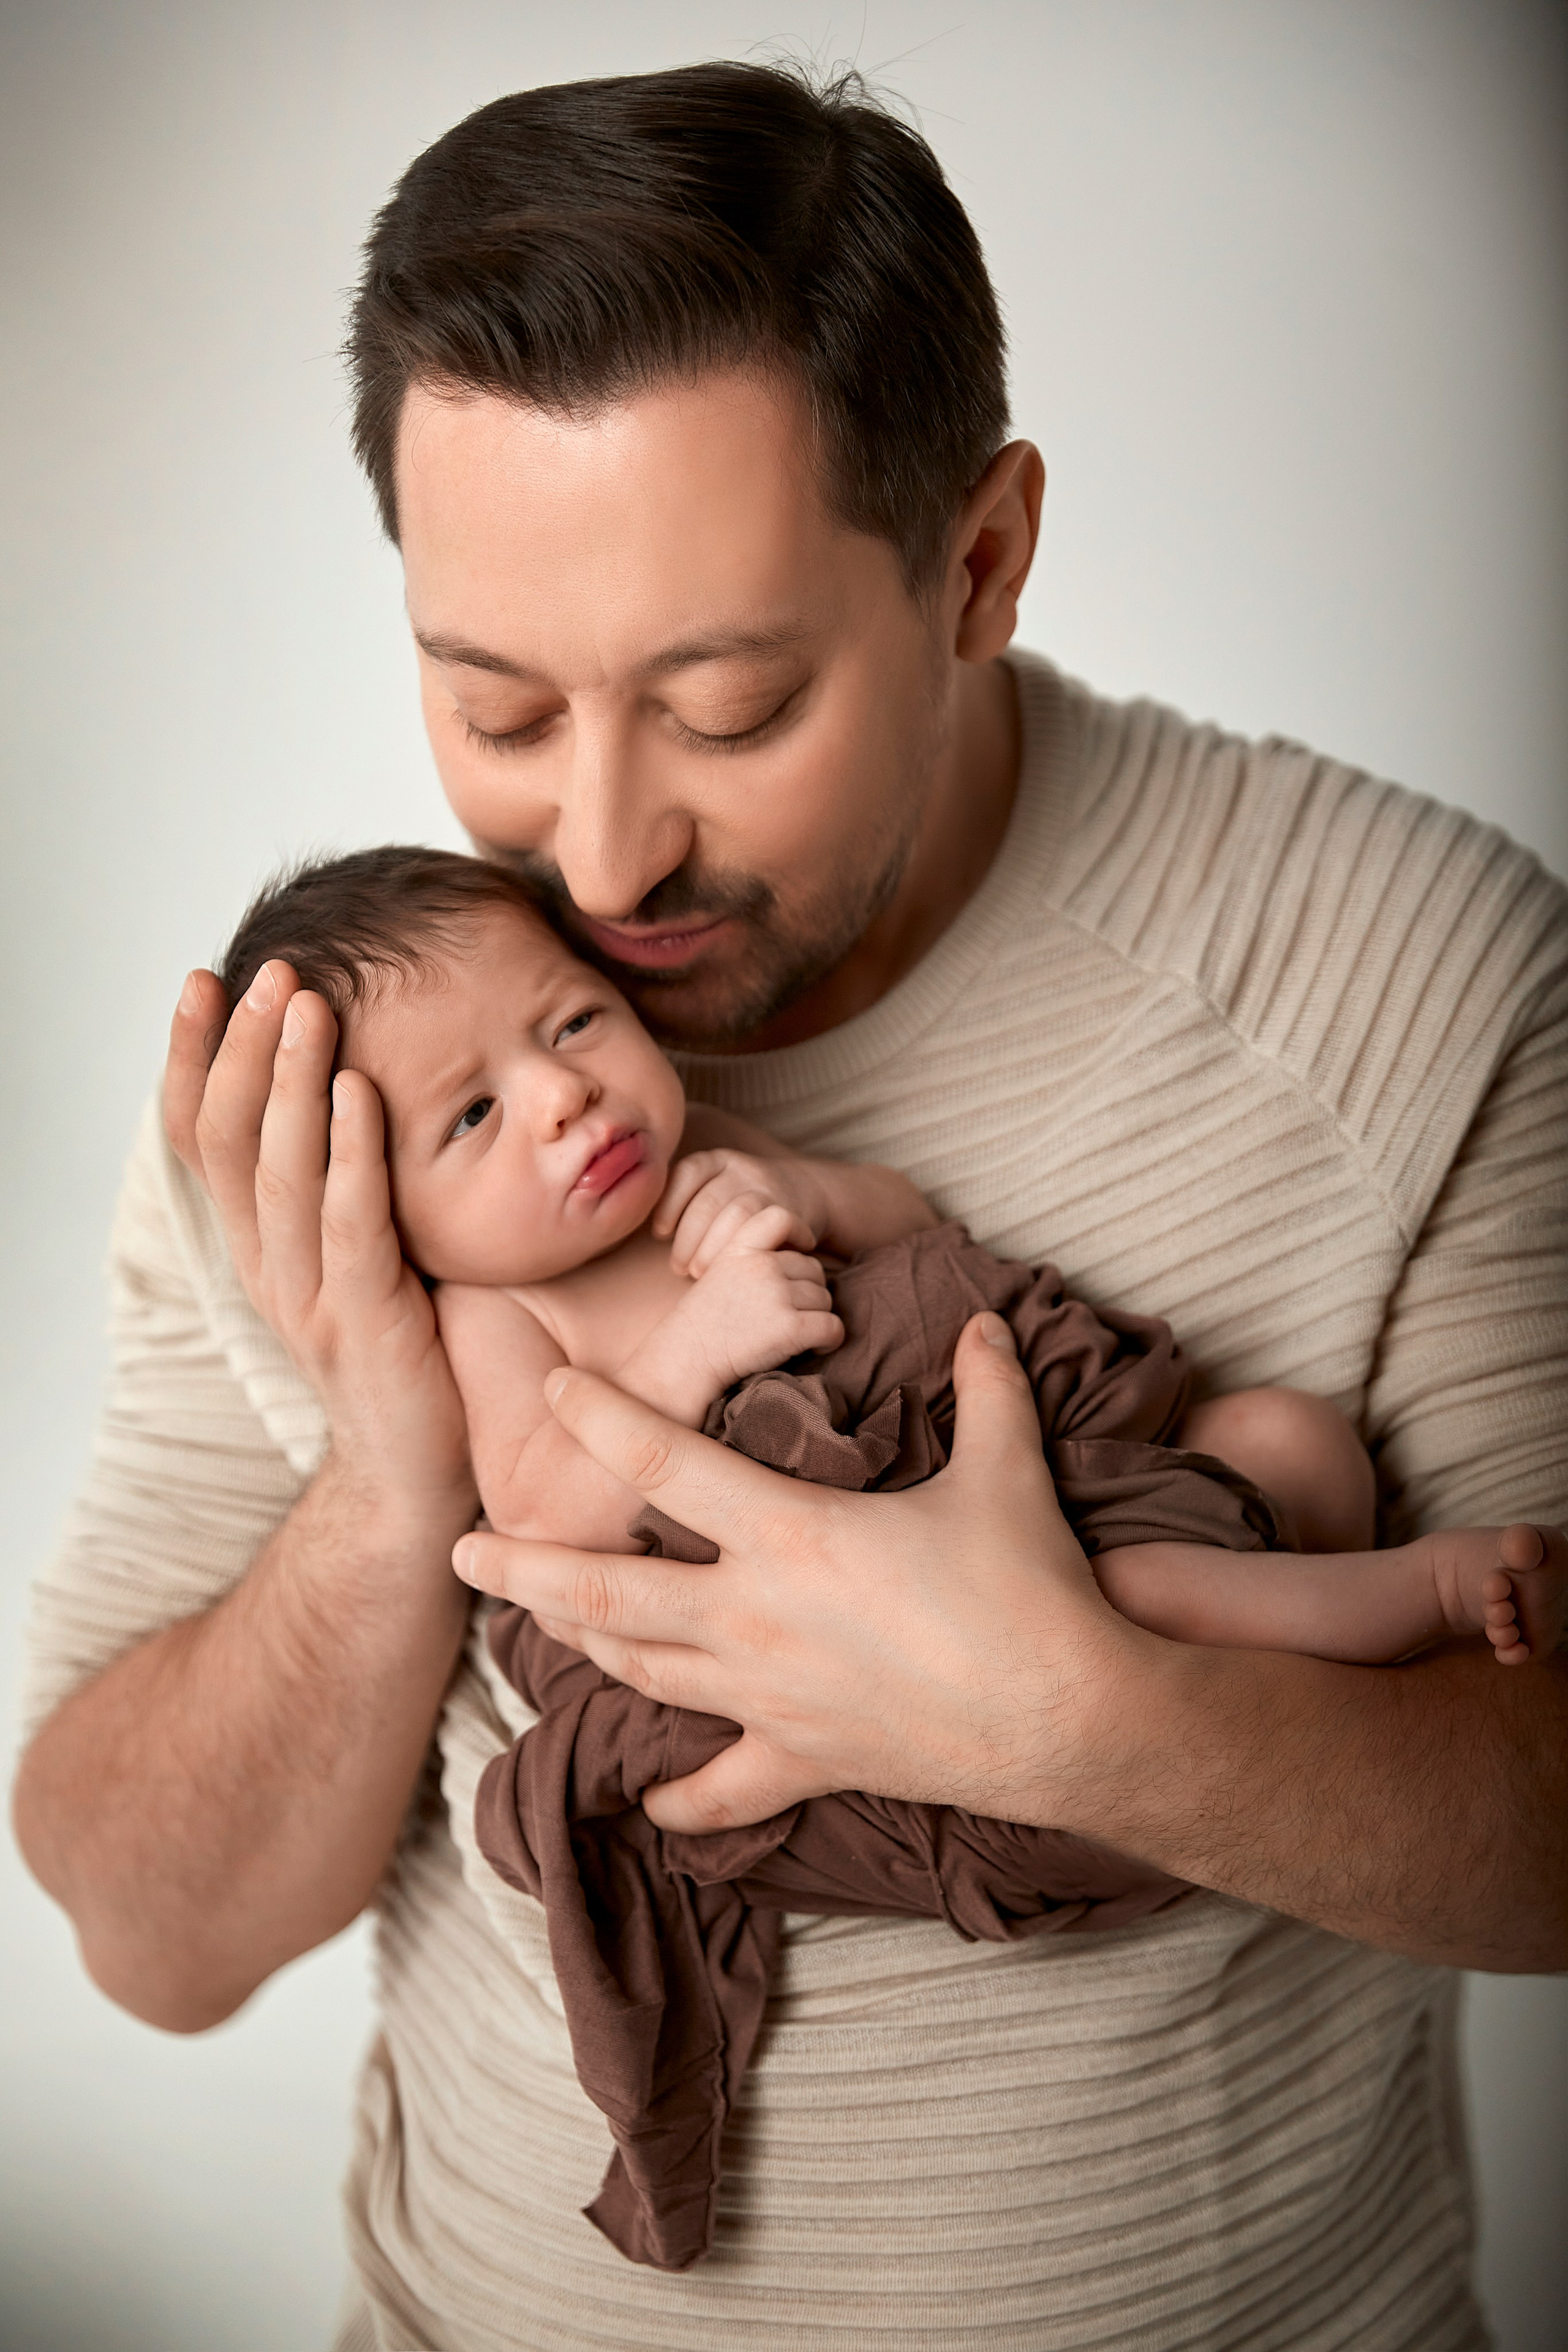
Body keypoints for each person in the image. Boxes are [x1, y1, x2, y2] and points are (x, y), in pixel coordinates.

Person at [13, 59, 1567, 2352]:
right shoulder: (345, 1089)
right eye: (498, 706)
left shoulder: (1408, 978)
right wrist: (393, 1471)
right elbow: (147, 1937)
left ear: (978, 560)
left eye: (729, 708)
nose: (604, 859)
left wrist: (1070, 1715)